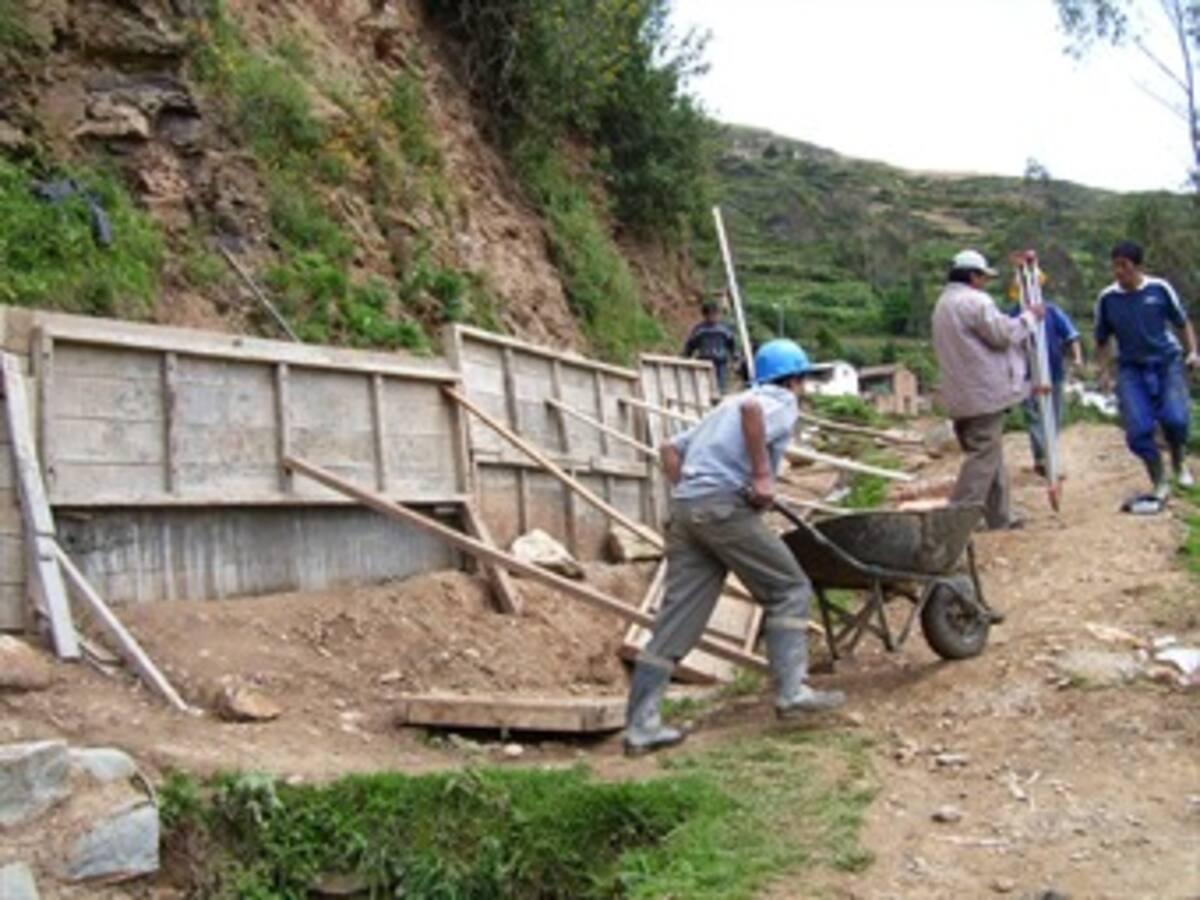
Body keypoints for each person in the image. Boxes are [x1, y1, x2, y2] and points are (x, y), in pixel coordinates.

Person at [624, 339, 845, 756]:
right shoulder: (774, 399)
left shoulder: (726, 404)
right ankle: (792, 693)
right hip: (724, 510)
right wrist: (763, 475)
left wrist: (692, 490)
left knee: (675, 620)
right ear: (795, 378)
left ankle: (640, 727)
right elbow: (753, 415)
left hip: (687, 512)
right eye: (804, 380)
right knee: (789, 589)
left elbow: (669, 449)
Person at [932, 249, 1042, 531]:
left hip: (960, 396)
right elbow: (1002, 335)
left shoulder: (943, 304)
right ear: (973, 276)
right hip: (983, 395)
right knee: (983, 458)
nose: (985, 283)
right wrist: (1029, 319)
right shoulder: (973, 301)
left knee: (990, 455)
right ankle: (954, 521)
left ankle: (1000, 517)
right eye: (982, 277)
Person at [1095, 241, 1200, 501]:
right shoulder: (1108, 298)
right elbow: (1101, 339)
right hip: (1131, 367)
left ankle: (1178, 461)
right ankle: (1159, 479)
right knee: (1138, 431)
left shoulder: (1159, 289)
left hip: (1166, 362)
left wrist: (1193, 352)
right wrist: (1105, 372)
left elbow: (1181, 321)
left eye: (1125, 266)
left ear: (1138, 266)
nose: (1119, 271)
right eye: (1115, 265)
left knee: (1176, 419)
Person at [1007, 272, 1084, 475]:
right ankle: (1044, 458)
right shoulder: (1013, 315)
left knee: (1053, 417)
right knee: (1034, 417)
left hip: (1054, 372)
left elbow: (1071, 336)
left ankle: (1046, 456)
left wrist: (1077, 359)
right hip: (1026, 376)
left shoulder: (1052, 311)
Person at [682, 299, 739, 393]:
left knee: (721, 387)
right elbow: (690, 345)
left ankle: (720, 397)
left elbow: (732, 344)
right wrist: (685, 357)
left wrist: (735, 358)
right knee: (704, 387)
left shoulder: (724, 329)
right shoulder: (700, 330)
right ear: (705, 315)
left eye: (715, 314)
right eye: (710, 314)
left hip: (720, 363)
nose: (713, 317)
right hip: (704, 362)